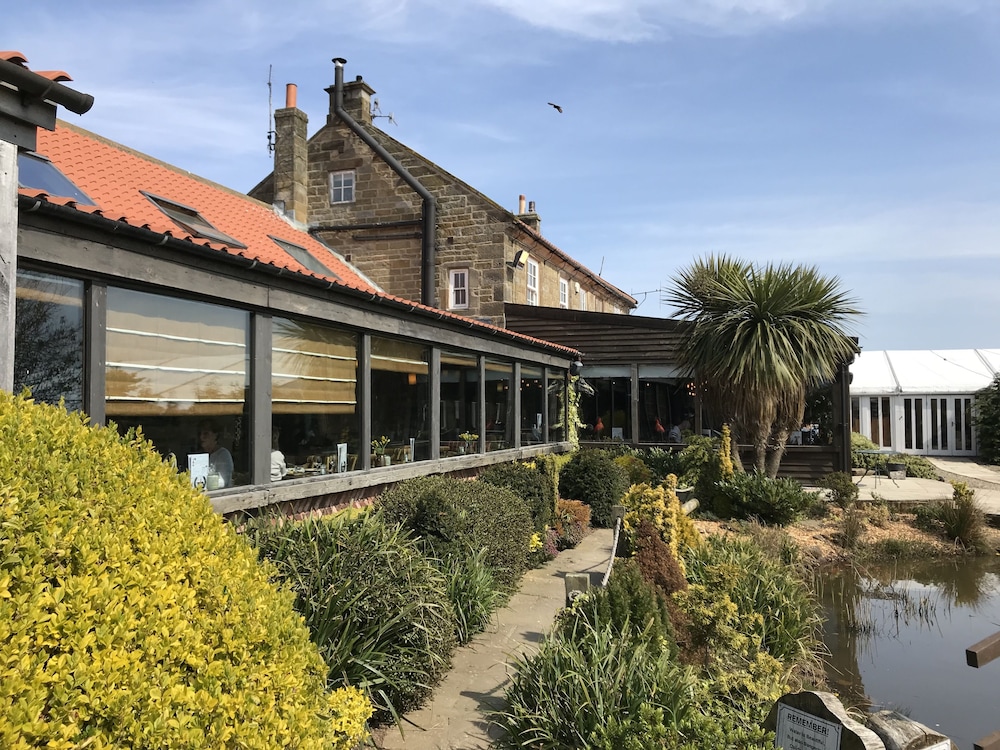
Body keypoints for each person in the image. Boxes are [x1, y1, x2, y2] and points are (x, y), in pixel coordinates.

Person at [198, 421, 233, 489]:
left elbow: (224, 481)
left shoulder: (223, 455)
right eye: (200, 434)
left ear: (215, 435)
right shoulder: (200, 454)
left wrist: (201, 484)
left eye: (206, 433)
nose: (201, 437)